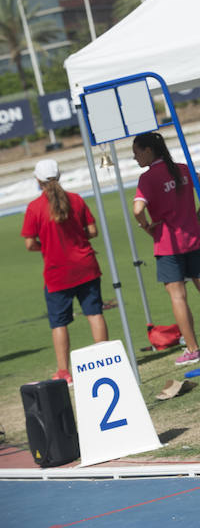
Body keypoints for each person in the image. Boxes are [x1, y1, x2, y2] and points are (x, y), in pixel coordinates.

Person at [132, 132, 200, 364]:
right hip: (194, 237)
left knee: (178, 297)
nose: (135, 158)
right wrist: (199, 214)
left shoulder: (147, 178)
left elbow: (137, 209)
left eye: (136, 153)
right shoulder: (182, 169)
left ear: (147, 151)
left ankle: (194, 349)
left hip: (168, 243)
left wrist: (146, 226)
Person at [21, 159, 109, 386]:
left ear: (38, 180)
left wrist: (48, 246)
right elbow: (92, 231)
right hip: (86, 266)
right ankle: (107, 361)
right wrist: (76, 239)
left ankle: (64, 372)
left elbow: (30, 244)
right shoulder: (76, 200)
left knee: (59, 323)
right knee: (95, 314)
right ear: (59, 176)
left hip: (57, 272)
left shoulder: (34, 208)